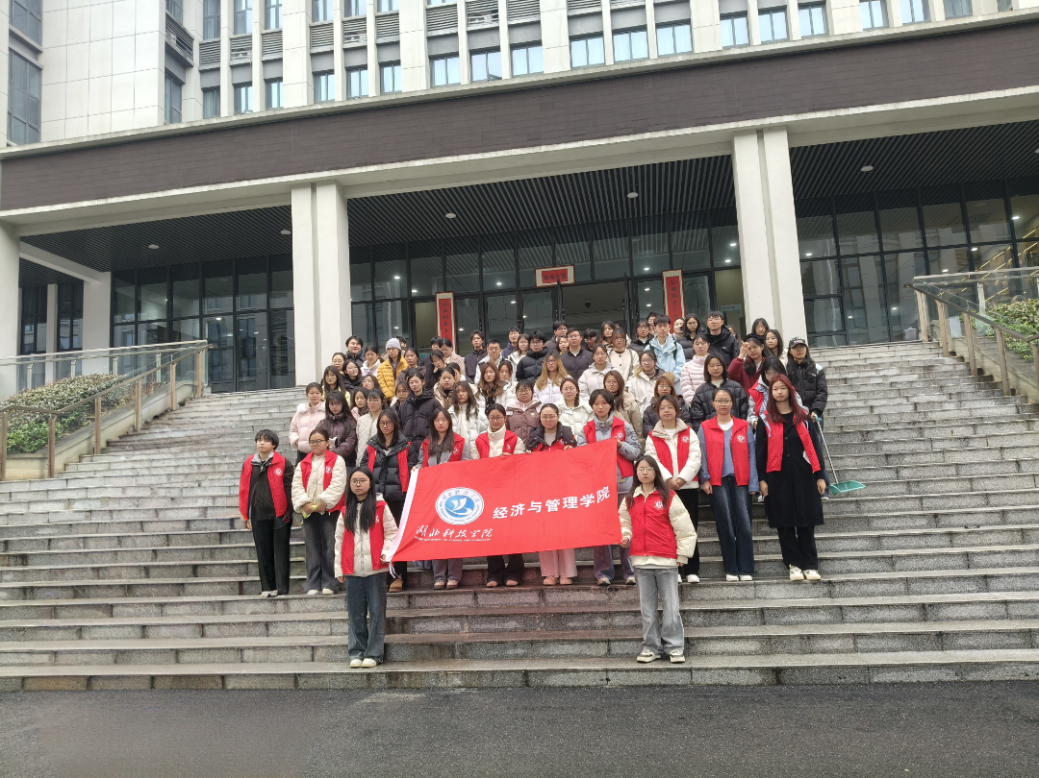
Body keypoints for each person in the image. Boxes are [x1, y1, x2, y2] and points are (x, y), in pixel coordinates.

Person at [619, 455, 697, 663]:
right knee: (647, 610)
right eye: (640, 469)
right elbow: (624, 523)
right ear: (636, 473)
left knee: (671, 608)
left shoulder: (668, 496)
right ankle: (651, 647)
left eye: (648, 469)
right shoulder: (630, 499)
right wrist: (625, 536)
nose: (644, 472)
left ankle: (675, 648)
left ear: (656, 472)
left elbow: (685, 528)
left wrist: (682, 554)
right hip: (641, 562)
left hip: (666, 560)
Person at [756, 374, 826, 582]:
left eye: (783, 388)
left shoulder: (803, 417)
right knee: (784, 523)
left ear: (790, 390)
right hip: (777, 477)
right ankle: (793, 564)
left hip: (804, 474)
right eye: (775, 389)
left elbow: (815, 447)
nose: (779, 392)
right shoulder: (765, 419)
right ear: (771, 393)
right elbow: (760, 452)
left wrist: (820, 476)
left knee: (806, 521)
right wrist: (762, 479)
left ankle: (810, 565)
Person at [335, 466, 398, 668]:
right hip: (352, 569)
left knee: (377, 612)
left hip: (376, 568)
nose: (358, 484)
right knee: (355, 613)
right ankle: (357, 652)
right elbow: (339, 541)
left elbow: (392, 533)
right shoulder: (345, 511)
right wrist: (338, 568)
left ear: (370, 483)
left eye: (362, 480)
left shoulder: (380, 507)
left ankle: (374, 653)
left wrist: (385, 553)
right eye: (354, 481)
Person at [576, 389, 639, 586]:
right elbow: (581, 457)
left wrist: (620, 446)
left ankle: (630, 571)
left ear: (611, 405)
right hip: (598, 487)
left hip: (623, 484)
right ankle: (603, 573)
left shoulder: (624, 426)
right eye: (596, 403)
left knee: (626, 527)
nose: (600, 407)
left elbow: (636, 452)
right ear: (591, 406)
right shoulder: (586, 430)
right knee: (602, 529)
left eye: (604, 403)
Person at [698, 388, 758, 582]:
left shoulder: (743, 426)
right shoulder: (705, 427)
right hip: (717, 481)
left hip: (741, 480)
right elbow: (701, 454)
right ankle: (731, 569)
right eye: (719, 401)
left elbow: (752, 456)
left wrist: (753, 483)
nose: (723, 404)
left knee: (744, 525)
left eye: (726, 401)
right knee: (726, 525)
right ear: (713, 404)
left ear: (732, 403)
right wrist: (704, 478)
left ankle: (746, 568)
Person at [644, 395, 702, 583]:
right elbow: (653, 460)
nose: (666, 410)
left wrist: (682, 478)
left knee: (689, 528)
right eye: (662, 408)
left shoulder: (689, 432)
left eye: (670, 407)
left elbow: (695, 457)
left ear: (677, 410)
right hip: (665, 488)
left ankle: (692, 569)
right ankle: (673, 569)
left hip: (688, 486)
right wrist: (668, 479)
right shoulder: (652, 437)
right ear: (658, 412)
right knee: (668, 529)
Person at [359, 410, 413, 591]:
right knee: (378, 538)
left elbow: (412, 468)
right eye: (382, 423)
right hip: (377, 499)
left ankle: (397, 577)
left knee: (397, 538)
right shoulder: (372, 445)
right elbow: (364, 469)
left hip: (398, 498)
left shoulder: (406, 444)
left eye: (388, 422)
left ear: (395, 424)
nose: (385, 426)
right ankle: (381, 577)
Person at [418, 408, 471, 589]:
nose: (440, 423)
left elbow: (467, 465)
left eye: (443, 419)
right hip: (432, 494)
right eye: (437, 420)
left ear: (449, 421)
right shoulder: (426, 443)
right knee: (436, 535)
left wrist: (451, 470)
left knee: (454, 535)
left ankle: (454, 575)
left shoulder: (460, 441)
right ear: (432, 423)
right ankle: (439, 576)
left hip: (454, 495)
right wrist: (416, 470)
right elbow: (421, 463)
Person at [475, 404, 526, 587]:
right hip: (488, 492)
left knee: (513, 532)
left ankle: (515, 572)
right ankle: (494, 574)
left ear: (505, 418)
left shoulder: (515, 439)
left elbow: (522, 465)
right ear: (487, 419)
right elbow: (473, 467)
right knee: (491, 533)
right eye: (492, 418)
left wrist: (510, 461)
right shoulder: (479, 440)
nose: (495, 421)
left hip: (510, 491)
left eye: (498, 417)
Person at [291, 428, 347, 595]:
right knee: (312, 547)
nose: (315, 444)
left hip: (330, 510)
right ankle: (313, 583)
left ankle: (330, 582)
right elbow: (296, 486)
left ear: (327, 442)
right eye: (312, 442)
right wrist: (304, 503)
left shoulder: (337, 461)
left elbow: (338, 484)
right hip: (309, 511)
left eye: (319, 441)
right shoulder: (303, 464)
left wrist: (324, 501)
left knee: (330, 546)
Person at [239, 429, 293, 598]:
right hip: (258, 512)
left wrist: (289, 511)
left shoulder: (283, 463)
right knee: (262, 551)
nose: (261, 443)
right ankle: (268, 587)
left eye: (266, 440)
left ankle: (282, 588)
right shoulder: (249, 463)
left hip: (279, 513)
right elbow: (244, 489)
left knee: (280, 551)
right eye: (259, 440)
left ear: (274, 444)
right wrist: (246, 514)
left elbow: (289, 489)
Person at [690, 355, 748, 430]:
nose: (715, 368)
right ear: (707, 368)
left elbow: (744, 411)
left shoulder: (736, 387)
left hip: (735, 430)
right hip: (710, 432)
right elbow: (697, 418)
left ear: (723, 366)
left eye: (718, 365)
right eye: (712, 365)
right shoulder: (701, 391)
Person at [398, 368, 441, 462]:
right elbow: (400, 426)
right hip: (408, 447)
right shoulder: (404, 405)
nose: (414, 384)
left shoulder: (433, 403)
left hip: (428, 446)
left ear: (423, 382)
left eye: (416, 381)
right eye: (411, 382)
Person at [786, 337, 828, 427]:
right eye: (795, 347)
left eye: (802, 347)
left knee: (816, 437)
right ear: (790, 351)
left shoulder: (817, 369)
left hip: (814, 414)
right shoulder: (785, 371)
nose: (799, 350)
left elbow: (822, 391)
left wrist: (816, 410)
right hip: (794, 415)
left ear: (806, 349)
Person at [316, 390, 358, 467]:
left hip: (346, 463)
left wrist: (332, 454)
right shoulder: (322, 423)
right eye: (331, 404)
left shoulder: (351, 423)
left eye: (337, 403)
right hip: (325, 462)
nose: (334, 407)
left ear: (343, 404)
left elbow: (350, 443)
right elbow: (316, 439)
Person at [603, 370, 643, 447]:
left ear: (620, 383)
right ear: (604, 383)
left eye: (615, 382)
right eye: (608, 381)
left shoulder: (629, 401)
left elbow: (638, 426)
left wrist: (640, 445)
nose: (611, 384)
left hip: (626, 440)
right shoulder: (600, 401)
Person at [289, 383, 325, 465]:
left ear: (321, 394)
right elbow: (293, 430)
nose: (314, 395)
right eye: (311, 393)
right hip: (303, 453)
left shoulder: (326, 411)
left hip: (322, 452)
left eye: (317, 393)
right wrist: (297, 441)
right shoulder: (300, 412)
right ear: (307, 394)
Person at [448, 381, 487, 459]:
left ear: (469, 393)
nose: (460, 394)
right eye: (458, 391)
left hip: (474, 454)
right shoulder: (450, 413)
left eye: (463, 391)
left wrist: (477, 444)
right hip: (455, 453)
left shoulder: (477, 413)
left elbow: (485, 431)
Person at [679, 334, 711, 405]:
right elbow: (686, 388)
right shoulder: (687, 366)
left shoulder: (714, 364)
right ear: (693, 346)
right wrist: (695, 403)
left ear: (708, 345)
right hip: (696, 405)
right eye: (697, 344)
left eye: (703, 343)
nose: (700, 346)